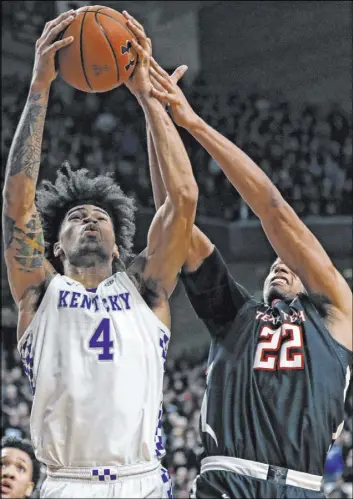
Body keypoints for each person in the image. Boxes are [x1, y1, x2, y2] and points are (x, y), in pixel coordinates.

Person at [2, 9, 198, 499]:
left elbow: (184, 200)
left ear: (119, 243)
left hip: (142, 480)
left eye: (100, 217)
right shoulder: (38, 293)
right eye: (75, 217)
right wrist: (39, 88)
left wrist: (148, 97)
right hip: (65, 483)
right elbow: (17, 204)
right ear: (54, 245)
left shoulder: (146, 288)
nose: (89, 219)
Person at [147, 58, 352, 498]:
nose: (283, 264)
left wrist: (194, 123)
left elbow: (273, 208)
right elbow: (175, 217)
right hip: (225, 482)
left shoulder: (337, 312)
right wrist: (154, 112)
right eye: (276, 264)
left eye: (294, 267)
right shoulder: (235, 314)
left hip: (300, 486)